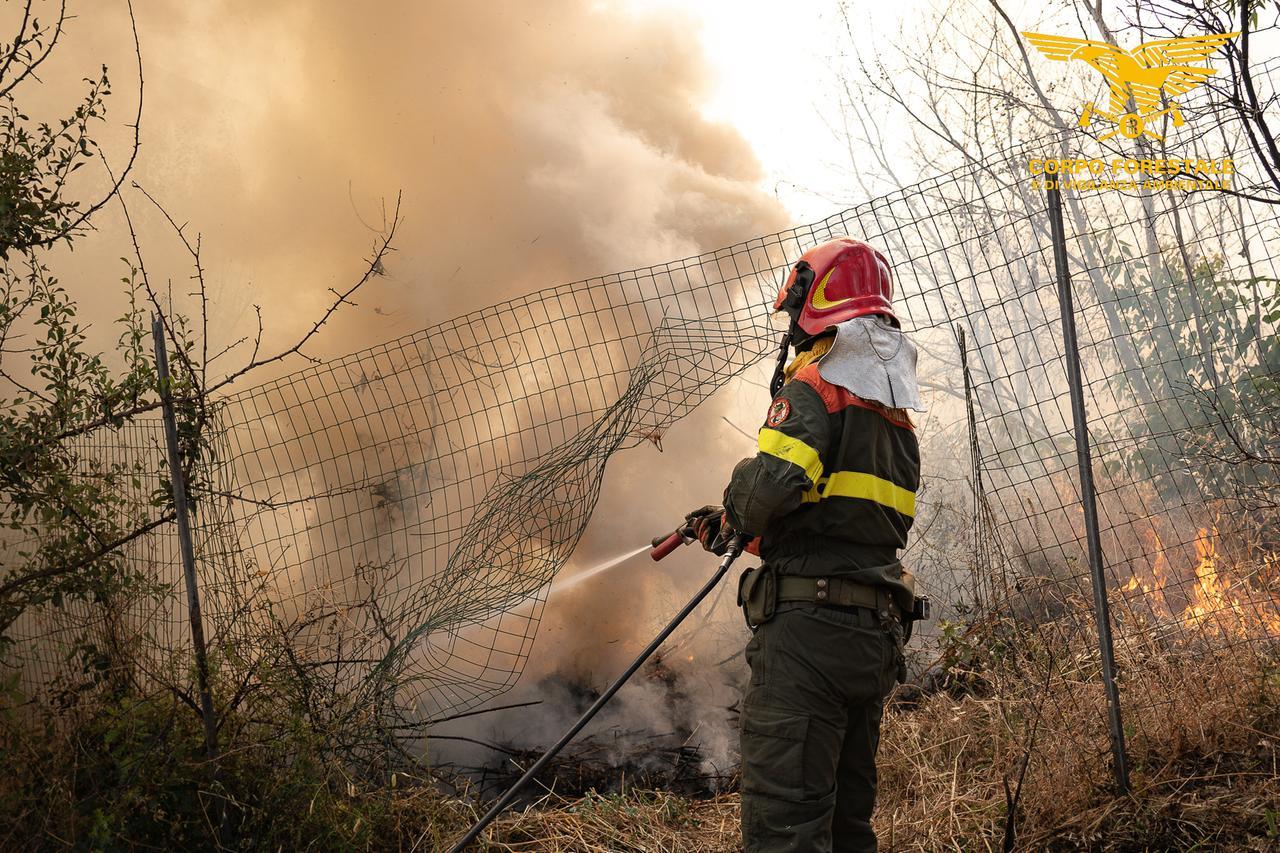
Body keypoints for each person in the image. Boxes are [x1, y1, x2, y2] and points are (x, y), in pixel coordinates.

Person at [687, 237, 926, 853]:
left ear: (816, 305)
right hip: (869, 637)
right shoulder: (894, 410)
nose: (791, 329)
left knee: (785, 830)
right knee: (847, 830)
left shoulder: (816, 387)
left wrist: (738, 503)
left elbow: (767, 489)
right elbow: (837, 525)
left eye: (795, 315)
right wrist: (741, 535)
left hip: (807, 645)